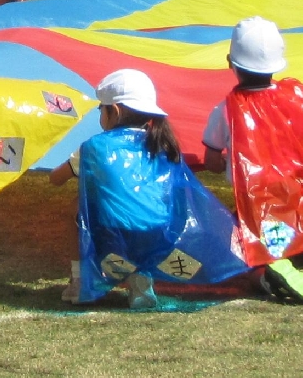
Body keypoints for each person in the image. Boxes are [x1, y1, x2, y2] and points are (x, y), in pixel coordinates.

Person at [196, 17, 303, 303]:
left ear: (230, 62)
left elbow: (211, 158)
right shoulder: (299, 96)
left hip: (261, 203)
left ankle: (266, 272)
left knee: (236, 251)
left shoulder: (226, 109)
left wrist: (221, 165)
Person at [51, 67, 246, 310]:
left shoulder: (94, 146)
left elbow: (56, 178)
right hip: (161, 236)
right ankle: (140, 283)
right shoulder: (163, 144)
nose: (100, 114)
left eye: (101, 108)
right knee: (137, 227)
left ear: (115, 111)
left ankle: (80, 281)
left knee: (76, 211)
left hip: (112, 236)